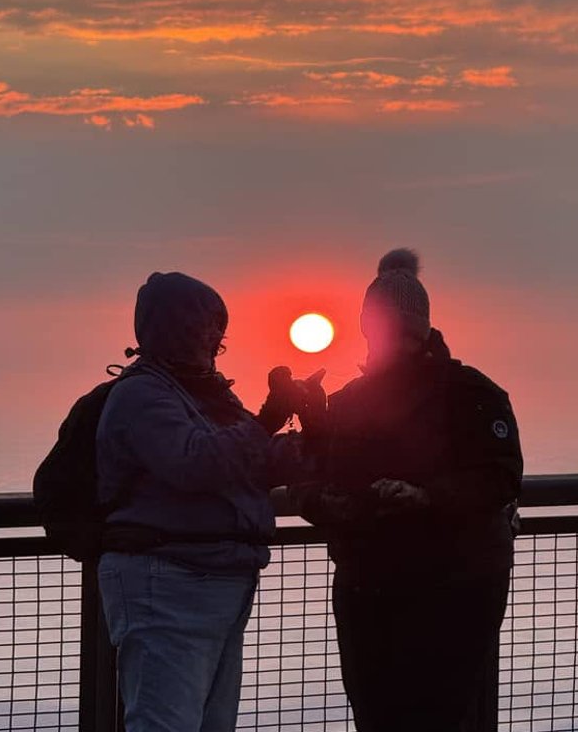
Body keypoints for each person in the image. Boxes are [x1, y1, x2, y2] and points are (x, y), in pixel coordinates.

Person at [289, 249, 523, 732]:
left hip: (453, 591)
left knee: (434, 716)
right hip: (372, 588)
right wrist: (318, 488)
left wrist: (427, 497)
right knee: (382, 718)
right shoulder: (349, 402)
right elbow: (322, 477)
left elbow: (499, 478)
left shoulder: (473, 395)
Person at [95, 271, 306, 732]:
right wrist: (270, 416)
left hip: (215, 581)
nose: (214, 339)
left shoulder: (208, 393)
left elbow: (246, 458)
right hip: (167, 583)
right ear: (175, 328)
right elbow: (195, 463)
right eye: (206, 326)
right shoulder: (142, 395)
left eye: (218, 330)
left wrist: (312, 438)